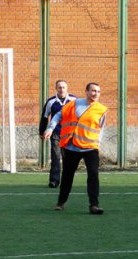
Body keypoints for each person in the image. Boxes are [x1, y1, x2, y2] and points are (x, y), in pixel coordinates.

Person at [43, 82, 107, 215]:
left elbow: (101, 128)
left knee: (93, 175)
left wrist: (98, 143)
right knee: (67, 175)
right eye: (93, 91)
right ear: (86, 91)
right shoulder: (73, 104)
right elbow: (57, 116)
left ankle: (94, 205)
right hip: (72, 146)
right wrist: (50, 128)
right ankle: (61, 203)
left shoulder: (101, 109)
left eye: (98, 91)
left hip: (90, 147)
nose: (96, 94)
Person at [39, 80, 76, 188]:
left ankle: (67, 180)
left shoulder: (74, 100)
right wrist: (42, 131)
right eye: (59, 87)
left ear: (67, 88)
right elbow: (45, 117)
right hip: (55, 133)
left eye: (63, 87)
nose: (62, 89)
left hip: (69, 134)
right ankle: (54, 180)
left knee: (68, 159)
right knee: (55, 157)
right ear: (56, 88)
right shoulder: (51, 101)